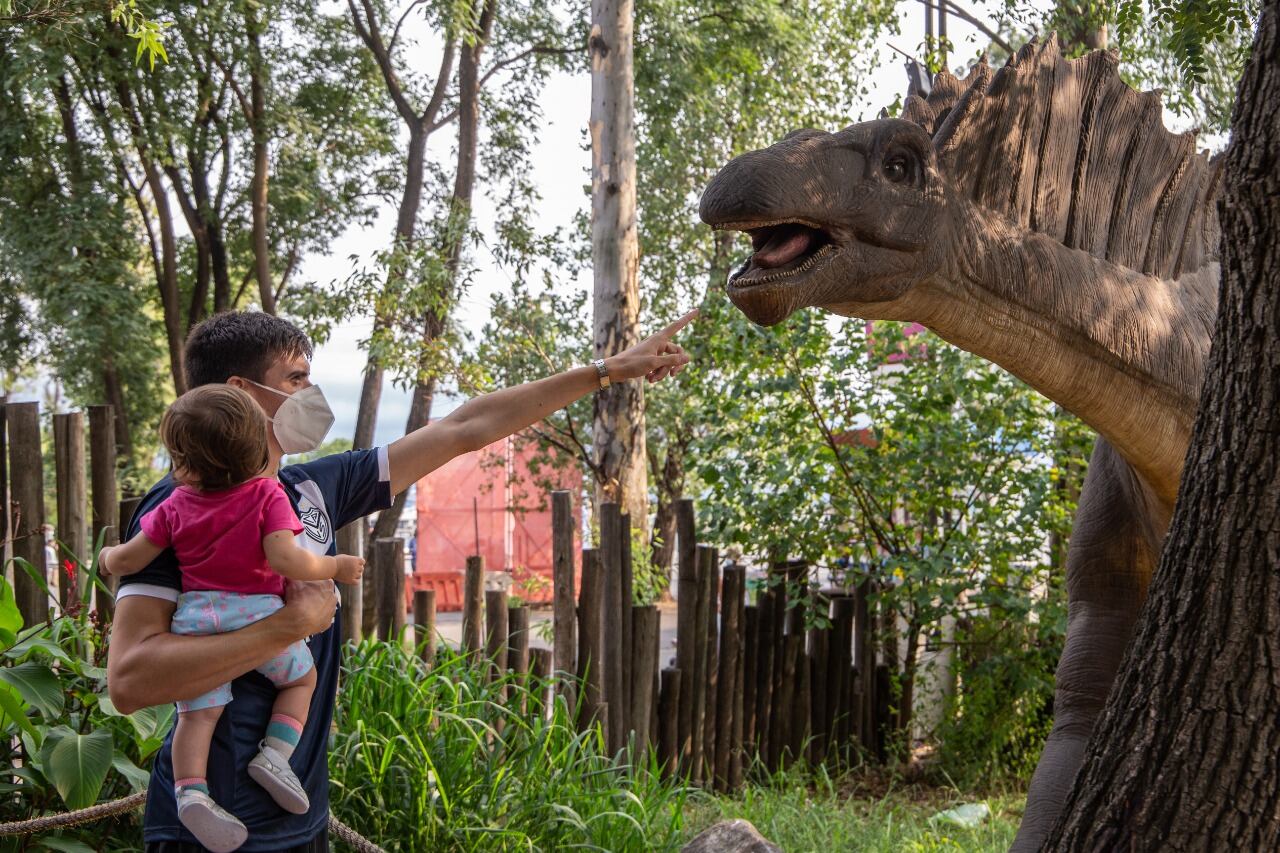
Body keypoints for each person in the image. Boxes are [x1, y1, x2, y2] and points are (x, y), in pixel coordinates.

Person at [107, 308, 694, 852]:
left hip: (299, 816)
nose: (309, 395)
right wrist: (290, 626)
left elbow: (468, 425)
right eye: (294, 379)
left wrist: (608, 372)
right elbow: (131, 680)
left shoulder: (312, 488)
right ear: (240, 394)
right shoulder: (181, 507)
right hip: (208, 832)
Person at [101, 386, 365, 852]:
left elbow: (128, 559)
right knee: (301, 681)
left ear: (183, 461)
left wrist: (106, 557)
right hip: (256, 613)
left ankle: (191, 793)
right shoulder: (268, 495)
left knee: (197, 718)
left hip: (197, 621)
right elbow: (288, 560)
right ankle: (276, 755)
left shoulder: (172, 505)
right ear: (257, 447)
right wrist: (336, 568)